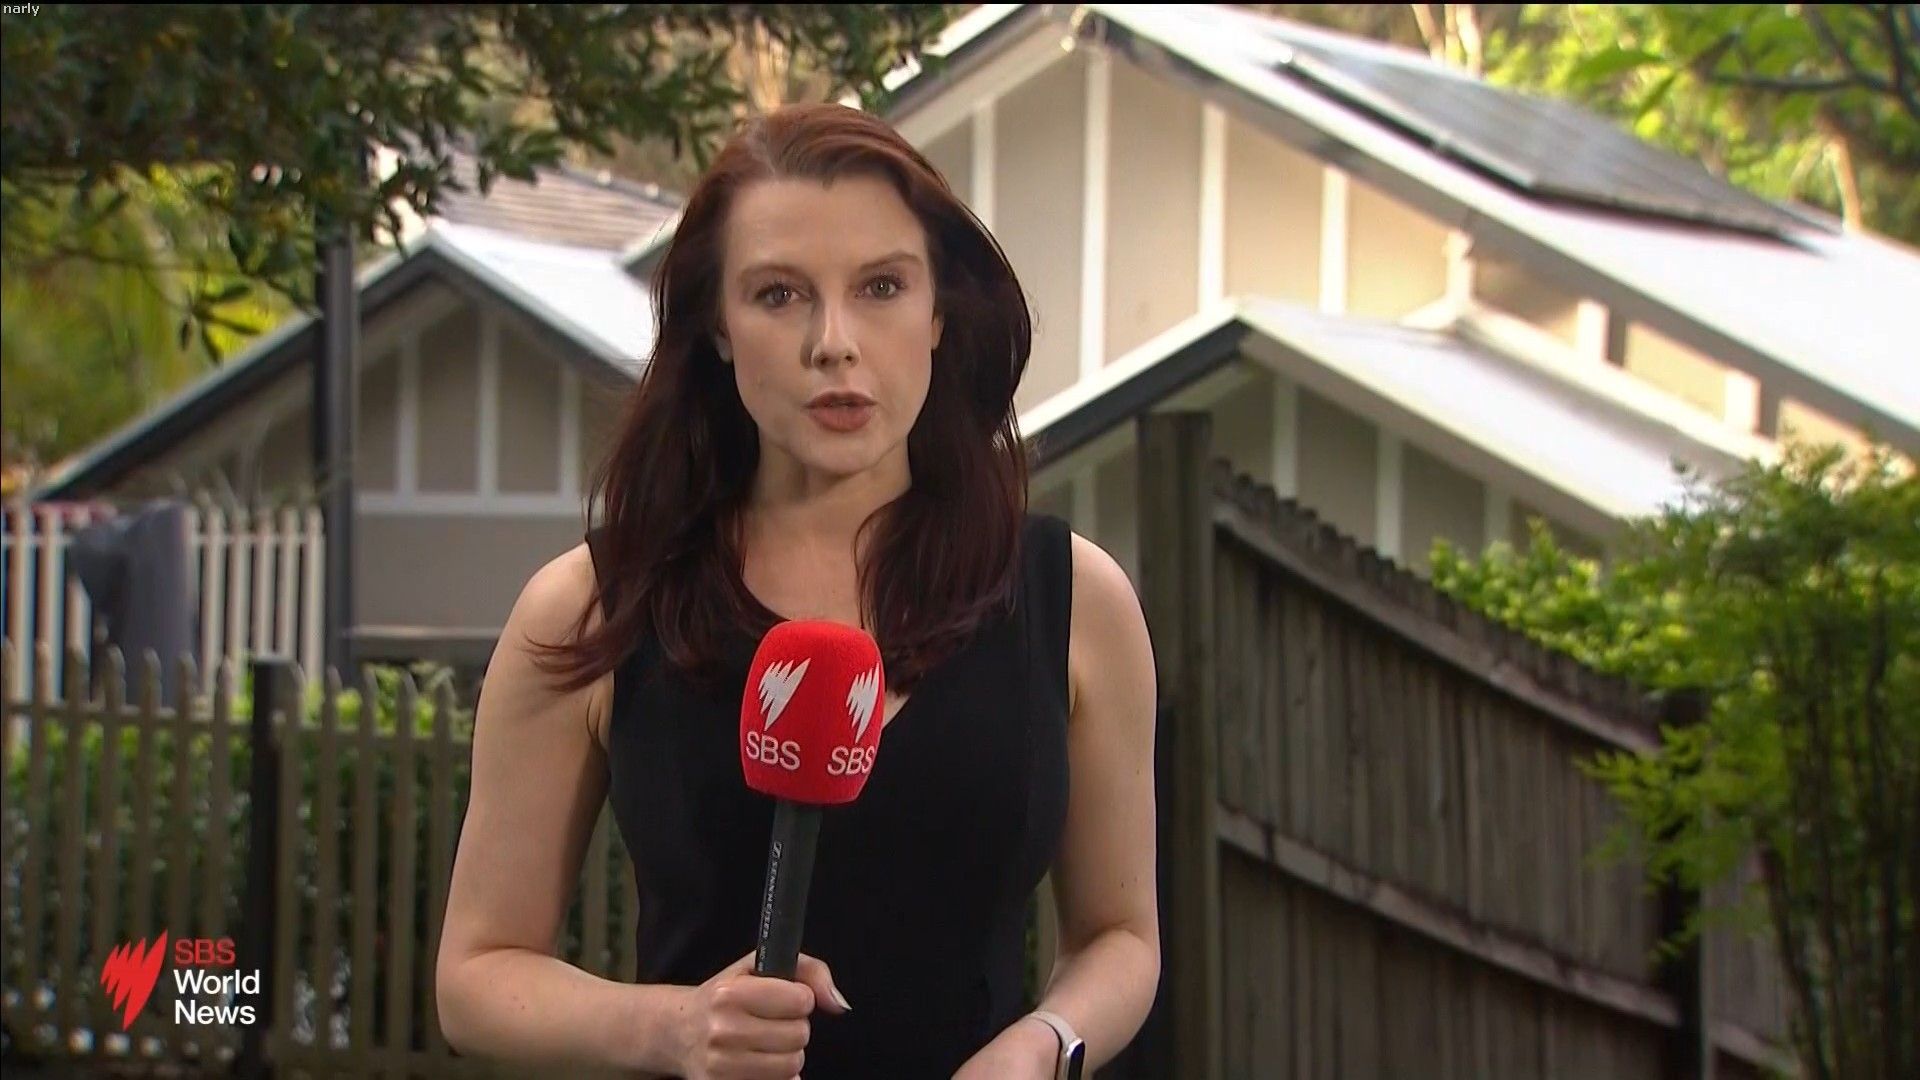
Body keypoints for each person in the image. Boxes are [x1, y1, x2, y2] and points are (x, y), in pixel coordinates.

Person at [435, 101, 1160, 1080]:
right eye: (778, 295)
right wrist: (674, 1027)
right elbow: (475, 977)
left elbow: (1122, 936)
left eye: (881, 287)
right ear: (717, 327)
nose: (834, 342)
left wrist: (1041, 1050)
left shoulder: (1075, 600)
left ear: (940, 313)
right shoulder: (594, 607)